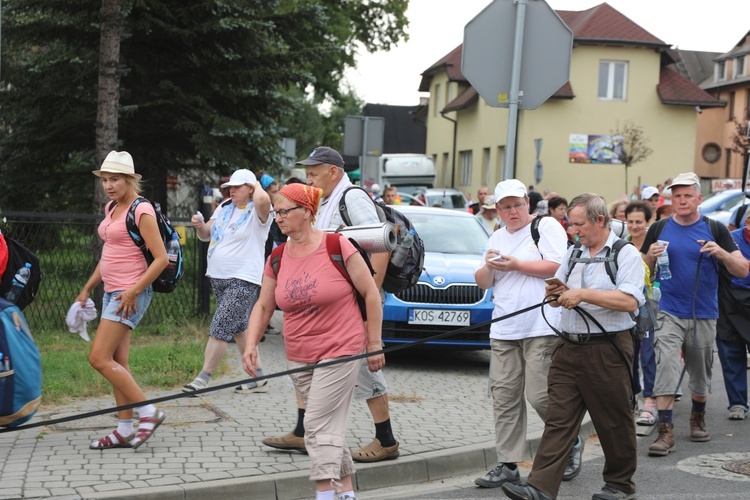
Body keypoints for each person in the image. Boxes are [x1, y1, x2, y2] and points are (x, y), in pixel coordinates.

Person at [242, 183, 384, 500]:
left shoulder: (338, 245)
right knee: (328, 428)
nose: (277, 218)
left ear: (306, 212)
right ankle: (346, 492)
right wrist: (251, 344)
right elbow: (264, 306)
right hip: (299, 355)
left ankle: (324, 492)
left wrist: (374, 343)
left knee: (317, 425)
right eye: (275, 212)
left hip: (342, 349)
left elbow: (371, 294)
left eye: (283, 211)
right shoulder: (277, 257)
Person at [502, 193, 644, 500]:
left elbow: (629, 301)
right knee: (559, 419)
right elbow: (560, 292)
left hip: (607, 349)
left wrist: (582, 294)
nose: (573, 230)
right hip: (567, 347)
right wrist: (556, 294)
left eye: (579, 224)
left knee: (613, 421)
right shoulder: (574, 252)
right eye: (571, 223)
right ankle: (540, 487)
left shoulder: (625, 253)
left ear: (601, 220)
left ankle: (620, 485)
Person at [263, 146, 398, 463]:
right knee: (307, 367)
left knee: (366, 368)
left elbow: (381, 241)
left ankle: (386, 438)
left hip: (351, 304)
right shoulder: (324, 201)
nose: (308, 179)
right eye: (307, 174)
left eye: (313, 173)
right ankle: (302, 430)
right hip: (327, 305)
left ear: (333, 172)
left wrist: (369, 299)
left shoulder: (352, 198)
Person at [473, 180, 573, 489]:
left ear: (527, 204)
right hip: (504, 327)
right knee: (504, 398)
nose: (512, 211)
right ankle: (508, 463)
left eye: (517, 204)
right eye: (505, 206)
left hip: (541, 325)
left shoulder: (547, 227)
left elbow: (556, 267)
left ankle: (568, 444)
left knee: (539, 395)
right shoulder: (496, 235)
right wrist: (490, 267)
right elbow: (482, 282)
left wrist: (516, 264)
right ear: (497, 210)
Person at [641, 172, 748, 457]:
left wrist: (722, 254)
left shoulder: (715, 228)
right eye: (677, 195)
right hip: (667, 310)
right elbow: (639, 269)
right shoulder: (659, 227)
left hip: (703, 312)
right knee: (666, 365)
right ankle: (665, 431)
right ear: (671, 199)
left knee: (701, 372)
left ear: (699, 199)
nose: (682, 200)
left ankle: (697, 416)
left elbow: (742, 269)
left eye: (688, 195)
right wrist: (649, 256)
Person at [79, 151, 168, 450]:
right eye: (105, 180)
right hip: (112, 291)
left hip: (130, 294)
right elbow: (108, 257)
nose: (108, 185)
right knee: (118, 361)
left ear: (130, 180)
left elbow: (160, 259)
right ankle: (123, 429)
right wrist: (88, 288)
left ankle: (149, 412)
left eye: (114, 179)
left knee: (98, 358)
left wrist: (132, 291)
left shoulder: (141, 210)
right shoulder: (112, 208)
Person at [183, 169, 272, 395]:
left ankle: (203, 378)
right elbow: (207, 235)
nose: (231, 190)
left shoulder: (259, 210)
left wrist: (256, 183)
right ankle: (259, 377)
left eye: (238, 187)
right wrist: (200, 225)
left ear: (251, 189)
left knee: (220, 326)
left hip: (243, 278)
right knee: (239, 328)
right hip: (218, 275)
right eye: (229, 187)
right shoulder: (224, 207)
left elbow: (263, 198)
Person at [624, 201, 657, 426]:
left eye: (639, 222)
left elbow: (657, 275)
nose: (634, 226)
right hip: (625, 306)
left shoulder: (655, 245)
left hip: (648, 306)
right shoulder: (621, 245)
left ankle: (651, 400)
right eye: (630, 221)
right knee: (628, 354)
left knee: (648, 354)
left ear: (648, 222)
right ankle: (633, 397)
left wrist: (650, 257)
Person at [717, 207, 750, 420]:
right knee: (730, 351)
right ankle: (737, 402)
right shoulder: (731, 240)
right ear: (748, 222)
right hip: (731, 299)